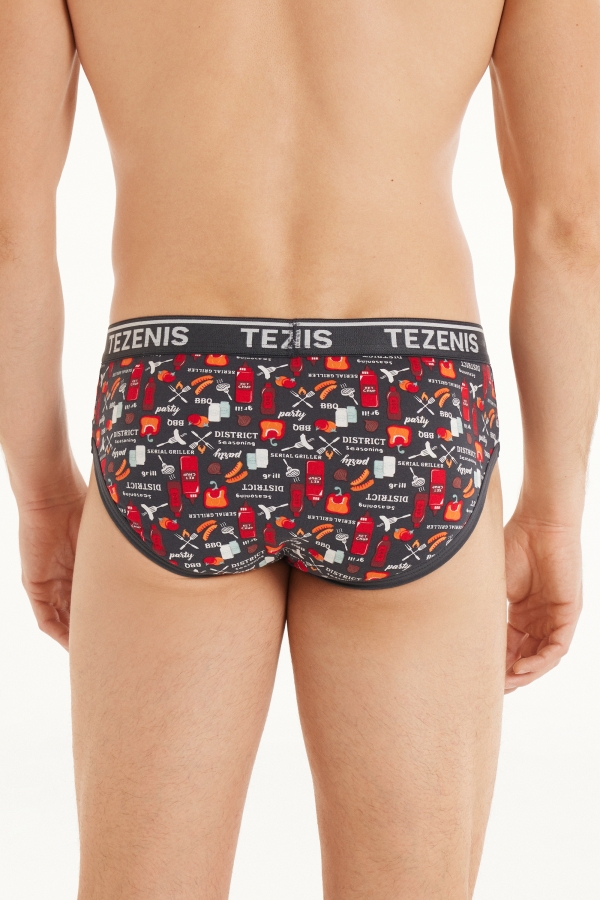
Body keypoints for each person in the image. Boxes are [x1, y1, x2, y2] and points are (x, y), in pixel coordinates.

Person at [1, 0, 599, 895]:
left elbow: (9, 232)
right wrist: (552, 510)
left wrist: (44, 490)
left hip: (178, 403)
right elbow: (570, 229)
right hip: (407, 401)